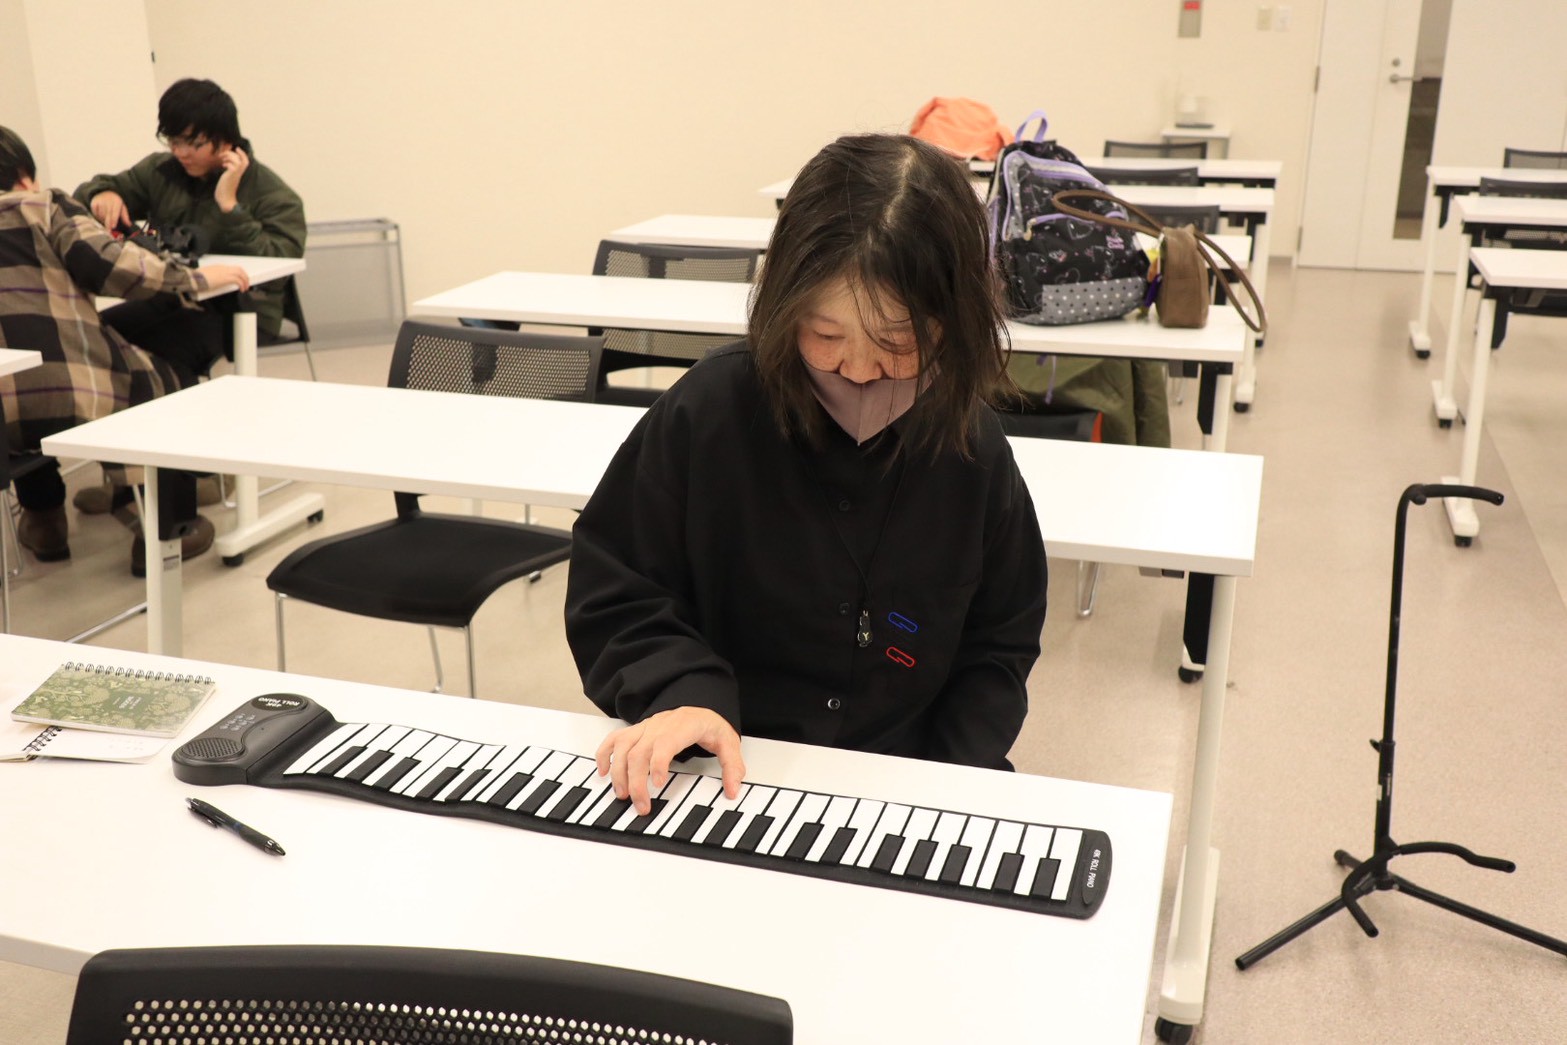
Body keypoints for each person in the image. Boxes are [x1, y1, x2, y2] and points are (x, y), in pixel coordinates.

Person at [565, 133, 1050, 816]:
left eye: (897, 343)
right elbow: (617, 585)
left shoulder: (972, 448)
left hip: (907, 777)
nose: (858, 369)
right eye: (825, 335)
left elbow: (1000, 640)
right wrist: (680, 693)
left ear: (953, 322)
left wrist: (945, 774)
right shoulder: (710, 412)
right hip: (721, 765)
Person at [0, 126, 250, 566]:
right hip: (73, 391)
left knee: (23, 396)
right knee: (157, 380)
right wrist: (192, 279)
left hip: (4, 414)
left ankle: (44, 520)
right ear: (23, 175)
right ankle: (158, 526)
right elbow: (114, 268)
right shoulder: (44, 206)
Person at [74, 77, 305, 386]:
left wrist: (230, 206)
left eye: (193, 143)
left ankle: (182, 413)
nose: (181, 152)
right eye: (173, 141)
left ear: (225, 140)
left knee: (165, 352)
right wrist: (101, 194)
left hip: (239, 311)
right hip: (172, 295)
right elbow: (96, 189)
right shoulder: (162, 172)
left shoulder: (275, 196)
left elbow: (280, 264)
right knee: (96, 333)